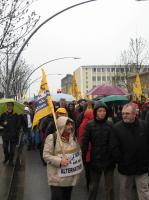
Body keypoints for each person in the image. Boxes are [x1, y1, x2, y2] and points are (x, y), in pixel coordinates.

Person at [111, 104, 149, 200]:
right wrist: (121, 161)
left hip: (142, 166)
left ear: (134, 114)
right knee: (124, 191)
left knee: (144, 191)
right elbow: (114, 147)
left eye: (127, 113)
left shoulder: (144, 126)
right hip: (125, 168)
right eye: (123, 113)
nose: (124, 115)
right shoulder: (116, 128)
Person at [82, 101, 115, 200]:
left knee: (110, 187)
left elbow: (113, 142)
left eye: (104, 111)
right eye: (100, 111)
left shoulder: (110, 124)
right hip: (95, 159)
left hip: (109, 160)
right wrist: (84, 158)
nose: (102, 113)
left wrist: (114, 157)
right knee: (93, 187)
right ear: (95, 112)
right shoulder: (89, 125)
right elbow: (85, 143)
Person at [43, 116, 82, 200]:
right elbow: (46, 155)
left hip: (69, 178)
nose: (70, 127)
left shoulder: (74, 138)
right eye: (67, 124)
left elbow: (78, 152)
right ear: (61, 125)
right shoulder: (52, 138)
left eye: (71, 124)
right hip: (56, 178)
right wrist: (60, 161)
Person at [0, 102, 20, 166]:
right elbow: (0, 122)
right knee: (5, 148)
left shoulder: (16, 115)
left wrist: (17, 133)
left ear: (13, 106)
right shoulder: (3, 114)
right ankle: (7, 157)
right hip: (5, 134)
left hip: (13, 135)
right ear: (6, 106)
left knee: (12, 150)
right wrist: (3, 123)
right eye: (8, 105)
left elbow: (18, 125)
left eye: (11, 105)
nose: (9, 107)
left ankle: (11, 161)